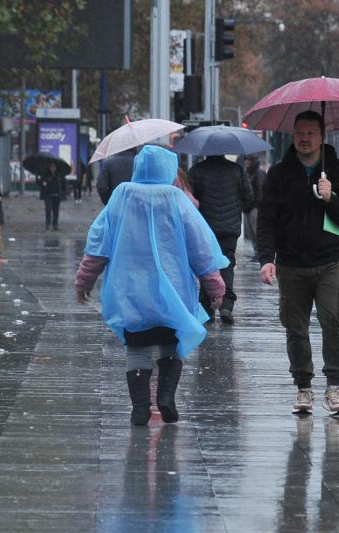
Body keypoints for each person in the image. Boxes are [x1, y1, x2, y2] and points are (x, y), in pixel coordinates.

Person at [74, 145, 228, 426]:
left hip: (130, 290)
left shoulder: (121, 196)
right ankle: (166, 397)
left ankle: (140, 407)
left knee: (137, 347)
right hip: (172, 290)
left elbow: (98, 245)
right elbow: (200, 247)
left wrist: (83, 281)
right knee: (170, 343)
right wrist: (215, 285)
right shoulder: (177, 199)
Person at [257, 110, 339, 415]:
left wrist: (332, 198)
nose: (305, 139)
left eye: (311, 133)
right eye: (300, 133)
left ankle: (334, 386)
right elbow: (267, 220)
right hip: (291, 264)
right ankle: (303, 387)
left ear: (322, 137)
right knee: (296, 329)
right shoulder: (278, 174)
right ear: (293, 136)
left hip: (330, 261)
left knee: (334, 320)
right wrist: (267, 259)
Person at [188, 155, 255, 325]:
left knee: (206, 265)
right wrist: (237, 208)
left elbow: (189, 199)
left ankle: (207, 308)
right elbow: (249, 197)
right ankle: (226, 305)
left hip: (205, 228)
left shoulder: (197, 170)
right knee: (227, 264)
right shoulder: (237, 170)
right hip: (229, 229)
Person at [242, 154, 267, 259]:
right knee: (251, 232)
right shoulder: (247, 172)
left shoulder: (259, 172)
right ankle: (257, 252)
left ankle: (260, 253)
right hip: (248, 207)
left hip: (255, 207)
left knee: (256, 231)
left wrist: (256, 205)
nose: (246, 162)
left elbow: (261, 190)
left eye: (247, 160)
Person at [37, 162, 67, 230]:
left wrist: (64, 193)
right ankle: (48, 223)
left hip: (57, 195)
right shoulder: (45, 174)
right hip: (48, 195)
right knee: (48, 209)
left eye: (54, 167)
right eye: (51, 167)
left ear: (56, 167)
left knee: (56, 211)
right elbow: (40, 182)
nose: (52, 168)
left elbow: (64, 184)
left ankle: (55, 224)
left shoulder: (59, 175)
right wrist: (44, 182)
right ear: (49, 167)